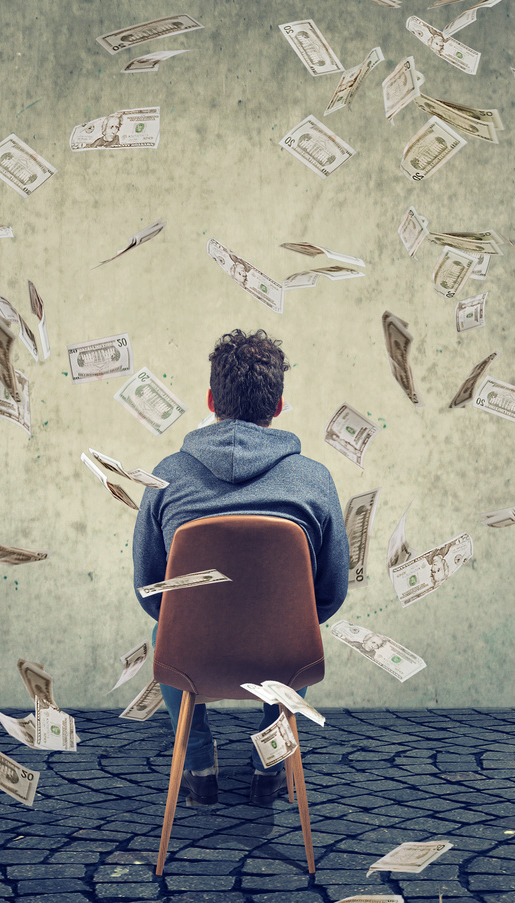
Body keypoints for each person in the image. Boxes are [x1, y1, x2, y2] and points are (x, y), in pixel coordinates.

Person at [132, 329, 348, 806]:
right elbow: (330, 592)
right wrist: (277, 624)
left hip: (192, 655)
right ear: (278, 404)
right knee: (302, 631)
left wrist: (198, 623)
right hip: (285, 658)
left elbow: (149, 590)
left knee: (162, 635)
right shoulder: (315, 480)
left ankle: (197, 762)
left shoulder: (164, 477)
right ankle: (269, 764)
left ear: (211, 398)